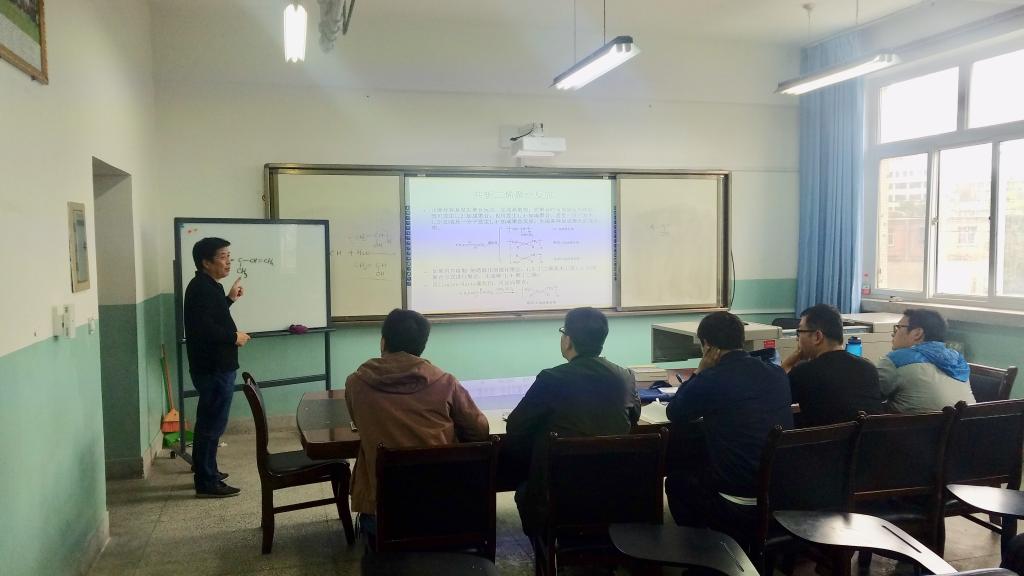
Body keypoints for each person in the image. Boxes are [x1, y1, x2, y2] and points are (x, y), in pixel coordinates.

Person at [345, 308, 489, 539]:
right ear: (421, 347)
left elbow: (359, 424)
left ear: (383, 342)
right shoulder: (446, 382)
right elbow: (480, 431)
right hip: (445, 508)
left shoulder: (356, 384)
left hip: (384, 514)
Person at [505, 307, 641, 537]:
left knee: (524, 486)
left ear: (567, 340)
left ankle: (549, 550)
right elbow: (633, 418)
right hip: (615, 491)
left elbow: (516, 426)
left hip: (559, 494)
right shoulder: (625, 377)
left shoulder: (551, 379)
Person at [664, 311, 793, 547]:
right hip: (779, 492)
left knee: (676, 482)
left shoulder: (711, 379)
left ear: (707, 345)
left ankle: (708, 553)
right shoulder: (776, 374)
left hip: (735, 499)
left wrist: (700, 371)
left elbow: (675, 413)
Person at [183, 237, 250, 498]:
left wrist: (229, 299)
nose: (228, 262)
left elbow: (213, 317)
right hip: (213, 368)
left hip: (216, 366)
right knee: (211, 424)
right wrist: (234, 337)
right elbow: (204, 329)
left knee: (212, 422)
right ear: (206, 262)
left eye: (229, 256)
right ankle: (206, 480)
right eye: (222, 257)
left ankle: (208, 470)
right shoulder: (202, 288)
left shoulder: (209, 286)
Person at [783, 304, 884, 427]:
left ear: (817, 336)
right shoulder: (868, 368)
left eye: (799, 332)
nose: (797, 339)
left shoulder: (804, 373)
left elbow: (773, 396)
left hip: (822, 439)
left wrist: (788, 363)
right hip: (868, 438)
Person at [877, 308, 974, 413]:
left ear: (917, 333)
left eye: (898, 328)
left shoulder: (896, 360)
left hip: (914, 424)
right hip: (969, 422)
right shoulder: (958, 360)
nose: (893, 334)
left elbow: (869, 395)